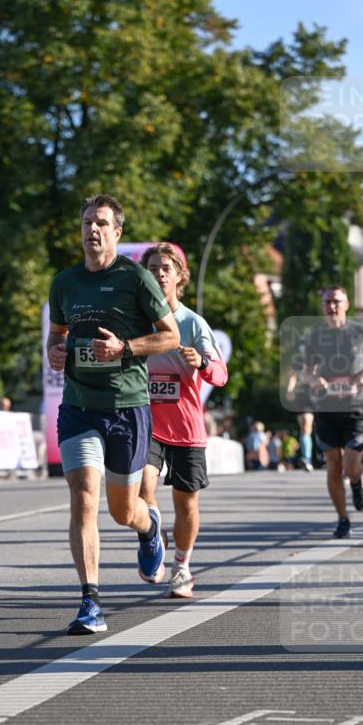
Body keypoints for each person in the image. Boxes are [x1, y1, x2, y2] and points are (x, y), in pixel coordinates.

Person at [47, 194, 179, 634]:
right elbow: (56, 335)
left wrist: (125, 348)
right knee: (84, 497)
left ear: (116, 232)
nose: (93, 230)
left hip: (127, 407)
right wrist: (56, 352)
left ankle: (148, 527)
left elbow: (170, 337)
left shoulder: (136, 278)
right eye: (87, 222)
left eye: (101, 223)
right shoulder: (64, 282)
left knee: (124, 510)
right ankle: (90, 601)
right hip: (79, 406)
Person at [138, 242, 228, 598]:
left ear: (180, 277)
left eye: (166, 268)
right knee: (143, 490)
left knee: (186, 502)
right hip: (145, 423)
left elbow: (220, 374)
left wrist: (201, 363)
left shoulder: (193, 323)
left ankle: (182, 566)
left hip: (186, 426)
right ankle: (152, 539)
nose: (159, 273)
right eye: (153, 268)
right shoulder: (136, 319)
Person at [303, 285, 363, 539]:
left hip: (354, 408)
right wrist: (313, 379)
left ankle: (357, 485)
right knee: (333, 465)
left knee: (350, 465)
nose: (332, 306)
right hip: (326, 409)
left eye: (337, 301)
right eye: (327, 302)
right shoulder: (315, 336)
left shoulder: (360, 332)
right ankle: (343, 518)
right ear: (323, 306)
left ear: (347, 304)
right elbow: (305, 370)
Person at [286, 347, 315, 471]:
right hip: (303, 396)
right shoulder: (298, 361)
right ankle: (306, 458)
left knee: (320, 427)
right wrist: (289, 390)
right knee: (305, 427)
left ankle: (327, 456)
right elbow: (292, 377)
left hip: (317, 395)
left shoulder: (318, 359)